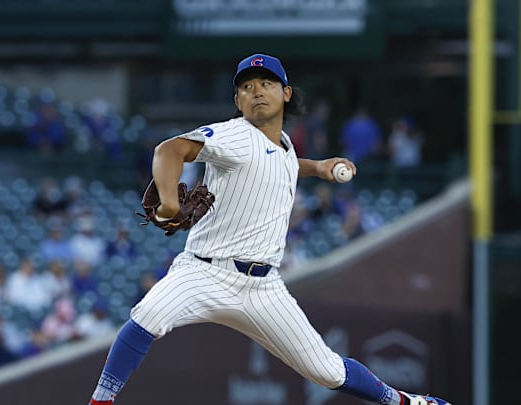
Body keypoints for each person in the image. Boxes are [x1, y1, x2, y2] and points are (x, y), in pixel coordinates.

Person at [86, 54, 451, 405]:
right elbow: (169, 150)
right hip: (204, 272)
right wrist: (167, 200)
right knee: (147, 317)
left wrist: (319, 167)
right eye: (246, 86)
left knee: (326, 371)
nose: (256, 91)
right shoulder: (234, 135)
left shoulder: (285, 146)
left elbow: (280, 162)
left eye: (266, 83)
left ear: (286, 93)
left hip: (263, 288)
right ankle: (100, 401)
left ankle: (403, 400)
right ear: (237, 100)